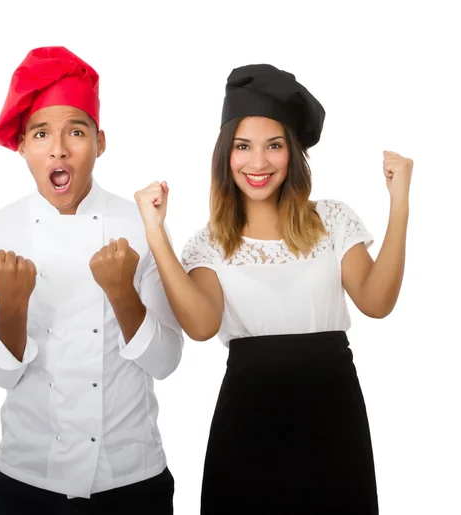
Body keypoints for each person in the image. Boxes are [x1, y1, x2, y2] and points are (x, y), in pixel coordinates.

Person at [134, 64, 413, 514]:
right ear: (226, 154)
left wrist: (399, 202)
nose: (258, 162)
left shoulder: (332, 220)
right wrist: (155, 232)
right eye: (243, 146)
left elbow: (377, 302)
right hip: (248, 424)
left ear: (293, 153)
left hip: (332, 418)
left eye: (274, 146)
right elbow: (202, 326)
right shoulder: (209, 244)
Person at [0, 46, 183, 515]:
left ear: (100, 143)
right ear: (22, 146)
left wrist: (123, 292)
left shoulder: (142, 225)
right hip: (27, 479)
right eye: (41, 133)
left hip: (132, 478)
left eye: (76, 132)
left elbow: (166, 362)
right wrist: (12, 308)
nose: (59, 148)